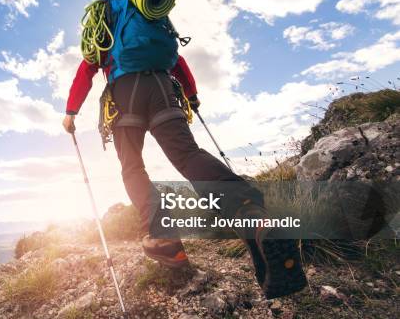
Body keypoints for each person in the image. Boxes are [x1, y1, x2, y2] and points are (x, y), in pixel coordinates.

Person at [62, 53, 307, 299]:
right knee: (188, 155)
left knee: (132, 167)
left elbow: (87, 68)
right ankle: (251, 214)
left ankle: (163, 236)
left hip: (124, 92)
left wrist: (71, 111)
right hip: (161, 85)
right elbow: (175, 58)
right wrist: (191, 94)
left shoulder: (104, 24)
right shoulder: (150, 18)